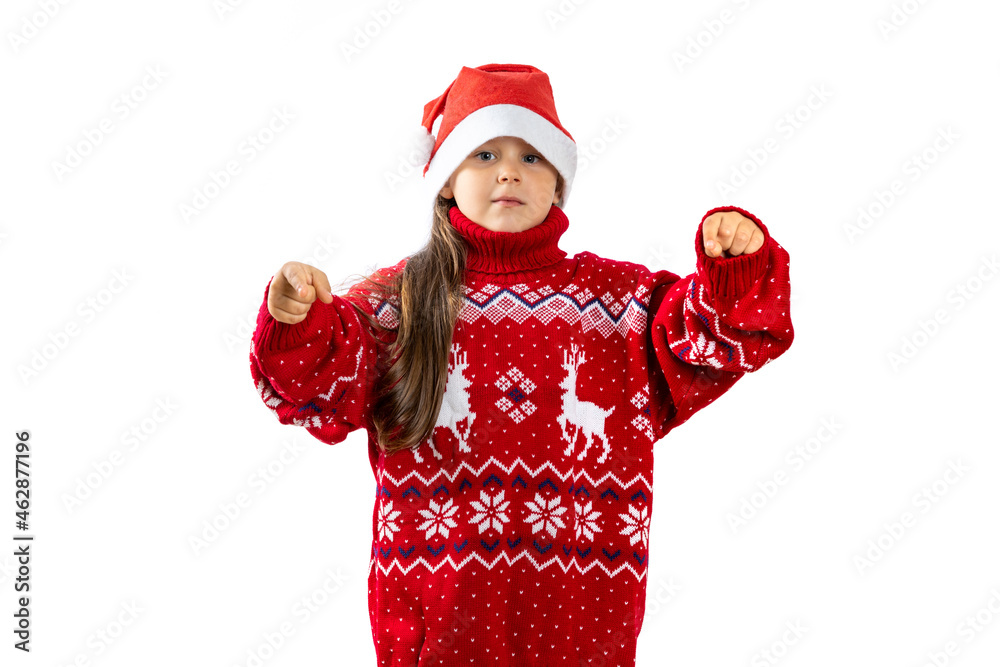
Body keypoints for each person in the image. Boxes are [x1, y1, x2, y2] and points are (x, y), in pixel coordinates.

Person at [249, 63, 794, 666]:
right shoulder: (396, 307)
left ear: (559, 183)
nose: (509, 169)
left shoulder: (621, 307)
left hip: (583, 637)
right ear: (448, 179)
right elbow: (318, 381)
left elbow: (710, 335)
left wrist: (734, 267)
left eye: (532, 157)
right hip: (437, 638)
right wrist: (298, 319)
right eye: (484, 154)